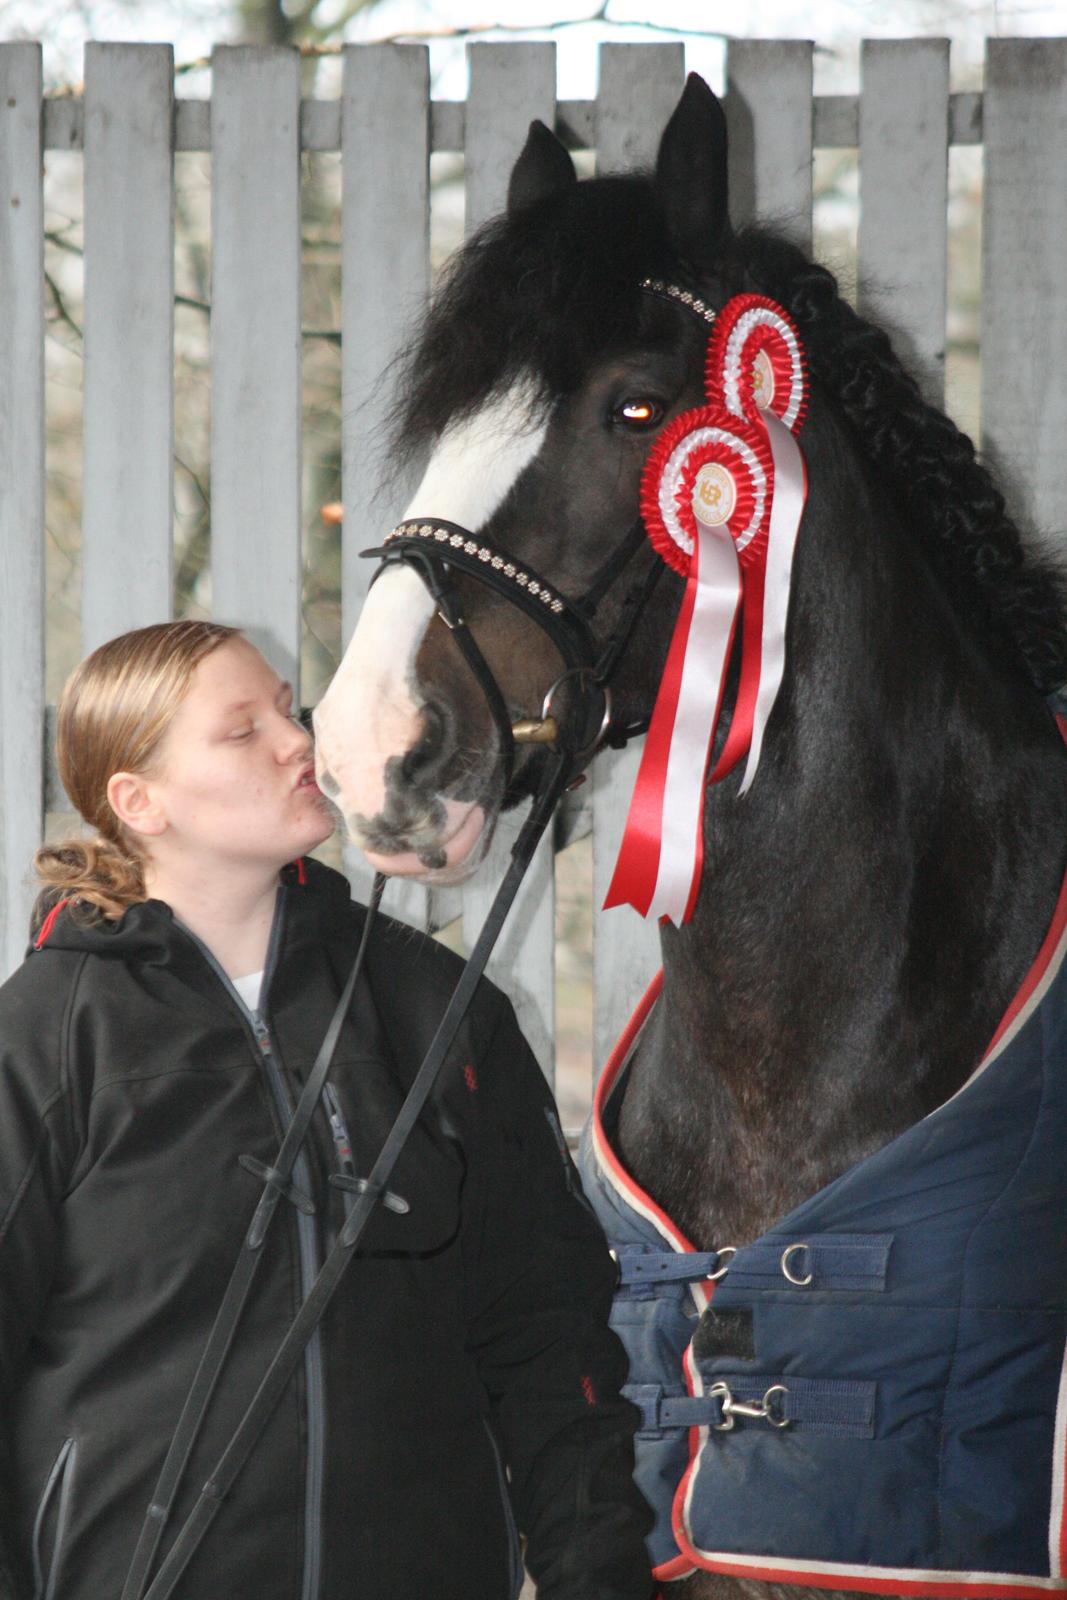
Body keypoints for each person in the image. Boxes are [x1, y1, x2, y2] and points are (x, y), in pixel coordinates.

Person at [0, 621, 653, 1600]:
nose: (296, 738)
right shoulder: (45, 1036)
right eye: (240, 729)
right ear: (140, 801)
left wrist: (595, 1579)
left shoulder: (439, 1011)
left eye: (284, 705)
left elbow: (547, 1335)